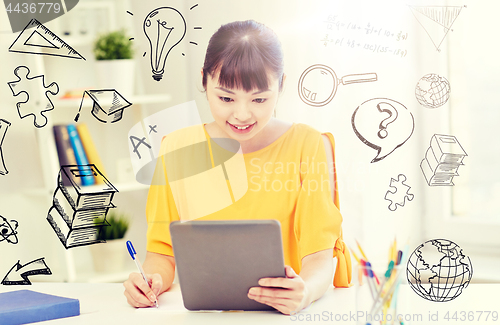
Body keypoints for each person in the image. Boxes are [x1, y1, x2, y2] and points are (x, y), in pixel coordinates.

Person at [123, 20, 351, 315]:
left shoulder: (308, 145)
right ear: (204, 82)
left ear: (280, 86)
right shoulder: (176, 149)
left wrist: (304, 292)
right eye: (226, 98)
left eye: (259, 99)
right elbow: (161, 252)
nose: (242, 115)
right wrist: (150, 281)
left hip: (285, 317)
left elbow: (320, 259)